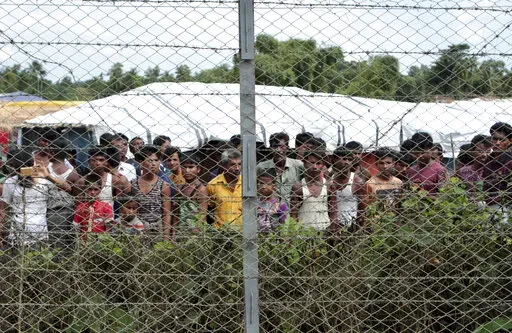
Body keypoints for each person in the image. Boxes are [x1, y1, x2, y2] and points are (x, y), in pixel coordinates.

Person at [0, 149, 71, 247]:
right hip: (17, 234)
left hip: (40, 234)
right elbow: (3, 210)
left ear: (32, 164)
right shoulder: (10, 182)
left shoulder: (44, 181)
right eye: (19, 169)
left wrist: (47, 175)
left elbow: (67, 188)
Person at [46, 138, 83, 250]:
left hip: (46, 209)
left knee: (50, 243)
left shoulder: (44, 170)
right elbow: (77, 195)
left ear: (51, 152)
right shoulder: (73, 173)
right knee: (65, 243)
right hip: (68, 211)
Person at [132, 146, 173, 241]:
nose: (153, 164)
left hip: (157, 230)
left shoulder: (163, 185)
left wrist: (166, 237)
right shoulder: (132, 184)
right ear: (141, 162)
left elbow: (167, 213)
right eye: (150, 161)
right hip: (138, 229)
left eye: (156, 160)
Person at [257, 132, 304, 206]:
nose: (278, 150)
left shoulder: (298, 165)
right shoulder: (261, 167)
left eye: (282, 146)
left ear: (287, 148)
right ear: (270, 148)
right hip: (269, 212)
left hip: (292, 212)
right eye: (275, 147)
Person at [290, 150, 331, 231]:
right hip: (304, 231)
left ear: (323, 165)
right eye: (311, 162)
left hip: (325, 229)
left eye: (318, 163)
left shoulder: (329, 186)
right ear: (304, 163)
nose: (314, 166)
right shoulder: (298, 187)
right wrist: (294, 231)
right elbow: (294, 213)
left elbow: (333, 211)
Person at [361, 148, 403, 224]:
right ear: (376, 164)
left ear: (393, 164)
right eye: (381, 163)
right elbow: (366, 210)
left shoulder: (398, 182)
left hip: (394, 224)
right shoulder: (370, 184)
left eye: (388, 163)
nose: (385, 166)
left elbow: (399, 206)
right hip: (377, 225)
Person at [328, 146, 364, 230]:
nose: (347, 162)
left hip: (352, 226)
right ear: (334, 160)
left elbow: (362, 208)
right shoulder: (329, 181)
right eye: (344, 159)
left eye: (350, 159)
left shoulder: (357, 181)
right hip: (332, 226)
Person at [482, 122, 512, 218]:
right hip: (487, 206)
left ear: (510, 141)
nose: (497, 143)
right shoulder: (487, 160)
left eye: (502, 139)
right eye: (495, 139)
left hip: (506, 207)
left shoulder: (510, 161)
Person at [206, 149, 242, 228]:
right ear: (223, 166)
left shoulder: (246, 185)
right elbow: (209, 210)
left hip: (242, 232)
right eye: (233, 165)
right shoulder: (213, 185)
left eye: (239, 164)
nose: (237, 168)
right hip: (221, 233)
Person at [73, 173, 114, 237]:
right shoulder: (80, 207)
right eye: (90, 189)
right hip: (83, 242)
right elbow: (76, 228)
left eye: (95, 189)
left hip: (101, 242)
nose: (92, 192)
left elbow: (109, 229)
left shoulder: (106, 207)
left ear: (100, 190)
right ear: (85, 189)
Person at [176, 152, 208, 232]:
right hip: (181, 229)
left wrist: (195, 233)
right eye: (184, 167)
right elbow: (176, 212)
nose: (187, 170)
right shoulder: (180, 187)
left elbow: (202, 215)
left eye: (191, 167)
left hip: (194, 231)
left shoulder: (200, 189)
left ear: (198, 169)